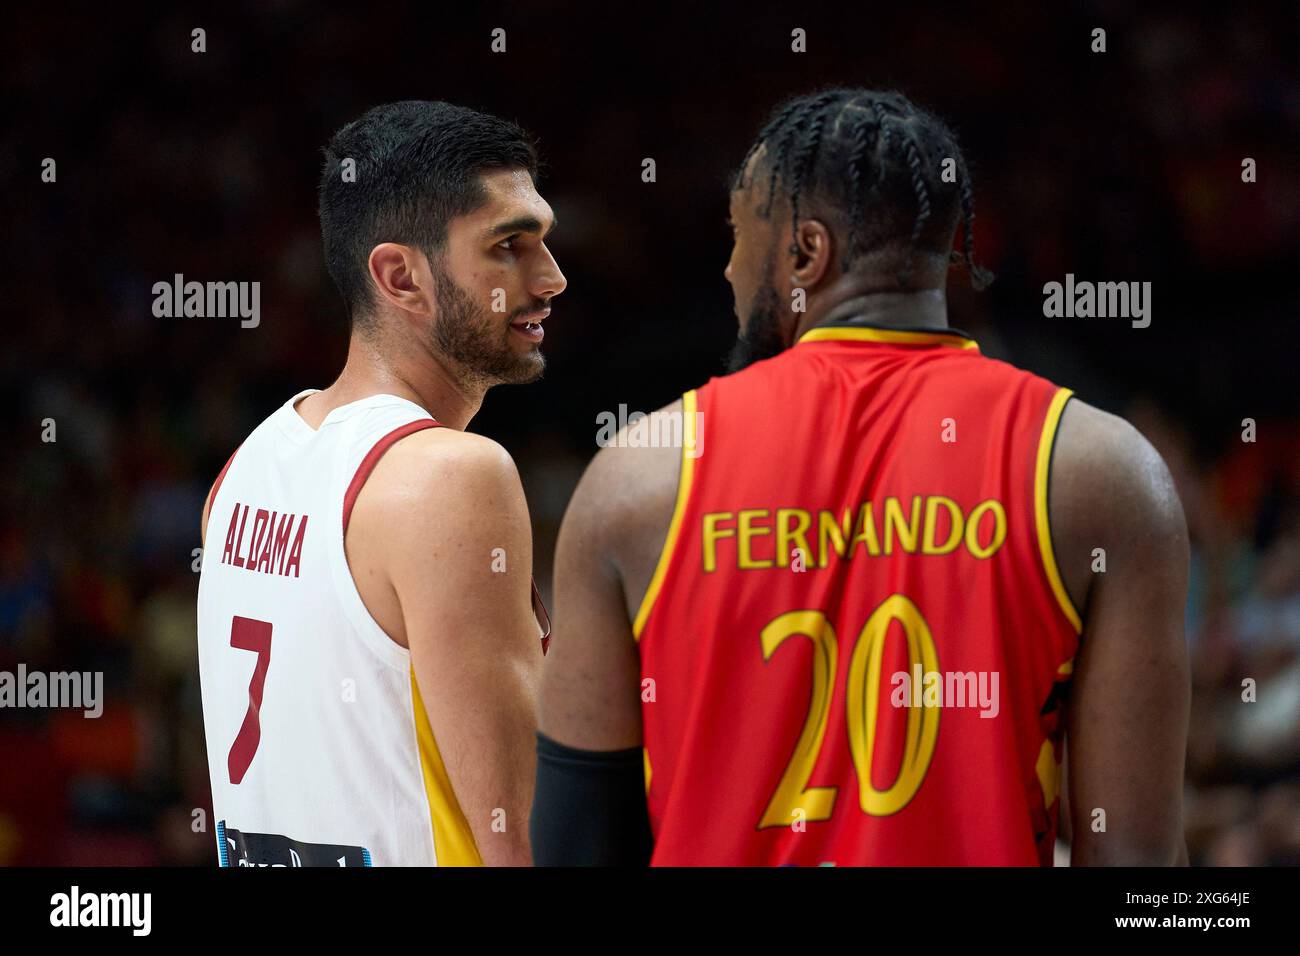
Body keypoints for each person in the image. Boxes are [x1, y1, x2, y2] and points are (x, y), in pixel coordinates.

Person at [533, 88, 1189, 866]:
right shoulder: (1102, 471)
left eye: (742, 237)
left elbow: (576, 845)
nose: (728, 268)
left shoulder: (636, 478)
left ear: (807, 252)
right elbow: (1139, 872)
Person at [198, 100, 564, 866]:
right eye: (509, 247)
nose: (551, 278)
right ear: (401, 275)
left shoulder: (244, 470)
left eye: (544, 242)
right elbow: (532, 837)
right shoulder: (451, 478)